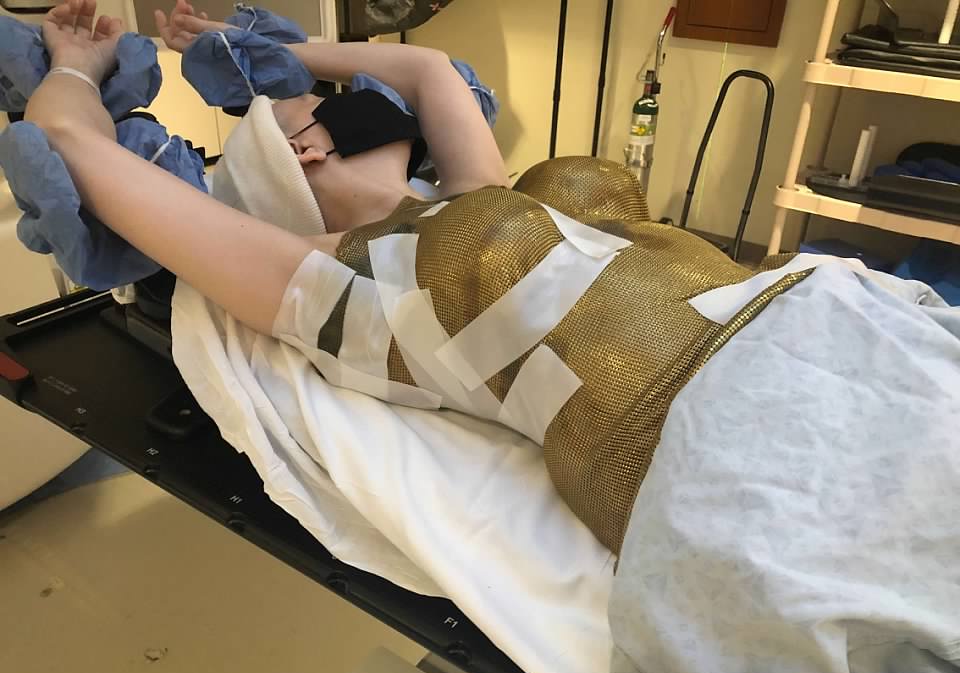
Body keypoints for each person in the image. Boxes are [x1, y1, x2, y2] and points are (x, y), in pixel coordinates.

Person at [24, 0, 798, 554]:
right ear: (305, 154)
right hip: (716, 448)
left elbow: (428, 71)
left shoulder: (472, 193)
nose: (364, 105)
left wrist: (256, 46)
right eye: (314, 108)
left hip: (803, 318)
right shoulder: (345, 293)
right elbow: (65, 135)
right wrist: (76, 67)